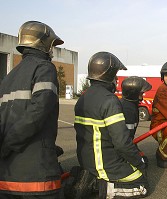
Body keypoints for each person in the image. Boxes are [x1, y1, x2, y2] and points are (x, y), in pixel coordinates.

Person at [0, 21, 64, 198]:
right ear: (43, 43)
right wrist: (9, 144)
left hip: (7, 175)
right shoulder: (44, 68)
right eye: (52, 45)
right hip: (36, 176)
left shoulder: (9, 76)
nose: (52, 51)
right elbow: (39, 110)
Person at [72, 52, 148, 198]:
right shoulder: (110, 101)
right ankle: (95, 186)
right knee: (141, 184)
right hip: (102, 165)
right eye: (115, 75)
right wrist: (139, 161)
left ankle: (83, 178)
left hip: (86, 162)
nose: (117, 79)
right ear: (109, 75)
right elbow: (122, 143)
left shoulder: (83, 98)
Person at [120, 76, 152, 165]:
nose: (142, 97)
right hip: (117, 149)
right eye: (141, 94)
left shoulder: (129, 105)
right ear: (133, 94)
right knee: (142, 168)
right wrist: (137, 160)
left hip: (124, 144)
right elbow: (124, 141)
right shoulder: (128, 109)